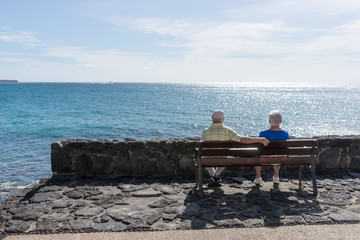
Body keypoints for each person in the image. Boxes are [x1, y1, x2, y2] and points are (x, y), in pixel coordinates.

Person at [202, 110, 269, 186]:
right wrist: (260, 139)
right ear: (223, 119)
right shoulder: (228, 130)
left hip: (208, 159)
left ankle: (213, 176)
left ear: (212, 118)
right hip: (223, 159)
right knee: (225, 158)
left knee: (204, 158)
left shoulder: (205, 132)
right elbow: (242, 139)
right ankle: (215, 176)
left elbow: (202, 147)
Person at [254, 110, 290, 185]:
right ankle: (276, 176)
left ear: (269, 121)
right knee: (278, 152)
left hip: (265, 157)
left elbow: (259, 146)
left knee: (256, 153)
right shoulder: (285, 134)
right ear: (280, 121)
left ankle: (258, 177)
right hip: (280, 157)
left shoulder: (263, 133)